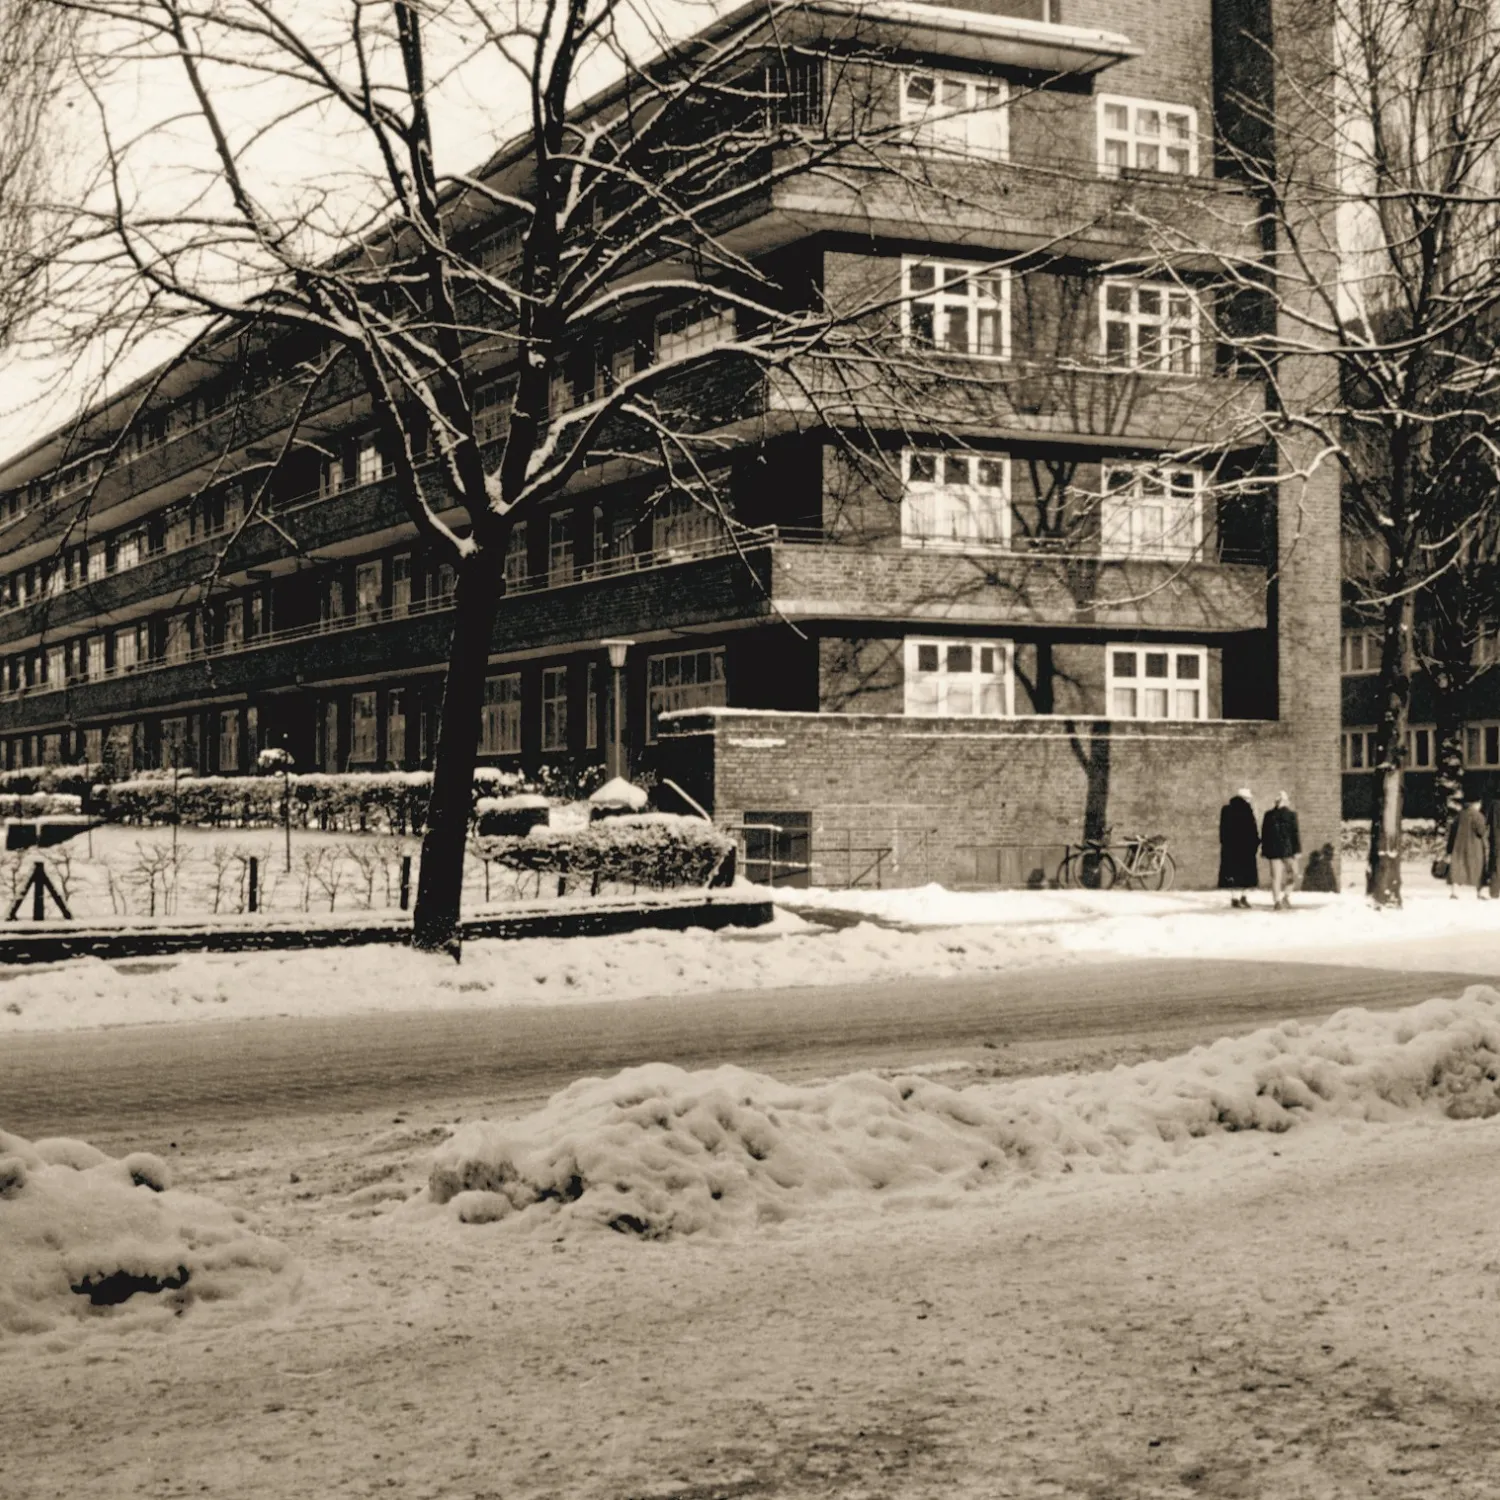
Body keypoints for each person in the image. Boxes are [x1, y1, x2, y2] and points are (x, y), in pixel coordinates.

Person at [1260, 791, 1302, 910]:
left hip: (1274, 852)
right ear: (1285, 801)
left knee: (1276, 877)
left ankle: (1277, 901)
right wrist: (1297, 850)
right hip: (1289, 851)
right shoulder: (1291, 815)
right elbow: (1295, 834)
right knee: (1293, 874)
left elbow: (1264, 834)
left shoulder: (1268, 815)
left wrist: (1264, 850)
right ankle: (1285, 897)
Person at [1218, 787, 1260, 908]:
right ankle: (1243, 897)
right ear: (1245, 798)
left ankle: (1234, 898)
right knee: (1248, 875)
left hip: (1230, 848)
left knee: (1233, 874)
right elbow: (1252, 830)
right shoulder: (1248, 810)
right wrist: (1256, 843)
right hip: (1246, 848)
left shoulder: (1226, 809)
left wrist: (1225, 843)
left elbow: (1223, 829)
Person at [1446, 800, 1488, 899]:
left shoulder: (1459, 815)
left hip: (1458, 847)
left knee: (1457, 869)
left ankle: (1454, 892)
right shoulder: (1478, 816)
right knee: (1478, 870)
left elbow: (1452, 833)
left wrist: (1449, 849)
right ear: (1476, 803)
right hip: (1475, 848)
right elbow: (1481, 831)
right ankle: (1480, 892)